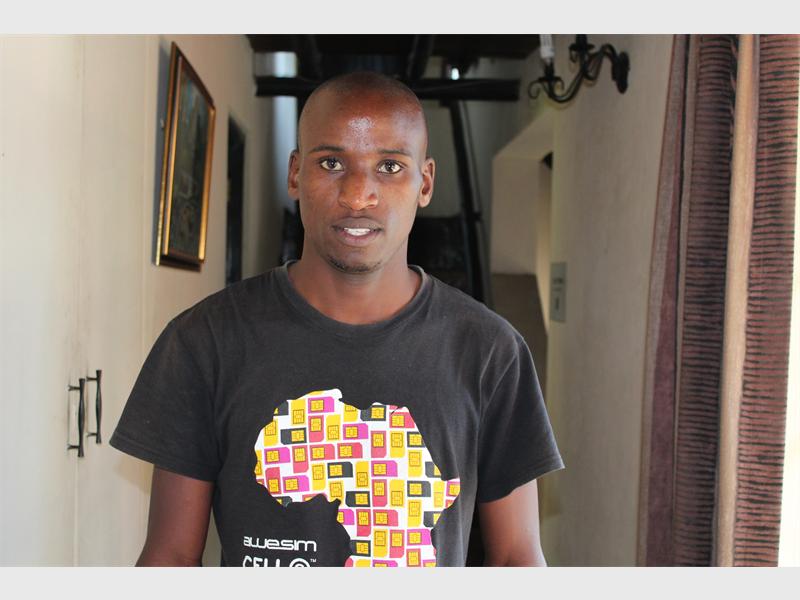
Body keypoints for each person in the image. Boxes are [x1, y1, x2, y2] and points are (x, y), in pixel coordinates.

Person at [110, 71, 563, 567]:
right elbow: (171, 556)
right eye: (331, 163)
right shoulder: (203, 342)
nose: (358, 194)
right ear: (295, 174)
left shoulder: (490, 352)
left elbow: (517, 557)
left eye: (390, 166)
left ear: (425, 183)